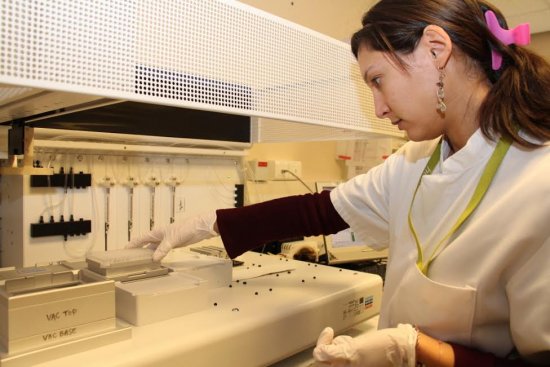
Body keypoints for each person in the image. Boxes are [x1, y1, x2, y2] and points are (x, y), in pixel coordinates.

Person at [127, 0, 550, 365]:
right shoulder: (415, 161)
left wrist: (416, 348)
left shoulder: (536, 185)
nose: (379, 108)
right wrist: (206, 224)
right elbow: (318, 211)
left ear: (436, 50)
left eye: (378, 80)